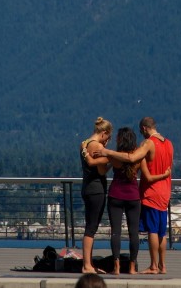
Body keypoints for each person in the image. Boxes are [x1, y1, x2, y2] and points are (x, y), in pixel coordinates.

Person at [94, 116, 173, 275]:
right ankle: (146, 266)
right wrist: (165, 175)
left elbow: (124, 161)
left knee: (122, 231)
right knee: (149, 232)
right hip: (151, 194)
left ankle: (126, 266)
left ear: (144, 128)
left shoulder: (122, 154)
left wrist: (106, 152)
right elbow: (142, 166)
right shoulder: (168, 144)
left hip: (133, 193)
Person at [80, 116, 113, 274]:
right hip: (96, 189)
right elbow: (100, 170)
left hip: (87, 187)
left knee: (89, 226)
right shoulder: (97, 147)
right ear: (104, 133)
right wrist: (112, 161)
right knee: (91, 228)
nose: (109, 140)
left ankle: (89, 263)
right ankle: (87, 265)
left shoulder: (85, 144)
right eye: (109, 137)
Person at [106, 127, 141, 275]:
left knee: (116, 233)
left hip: (116, 195)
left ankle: (117, 266)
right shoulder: (138, 157)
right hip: (133, 196)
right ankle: (132, 267)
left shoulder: (114, 156)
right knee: (134, 233)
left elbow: (104, 167)